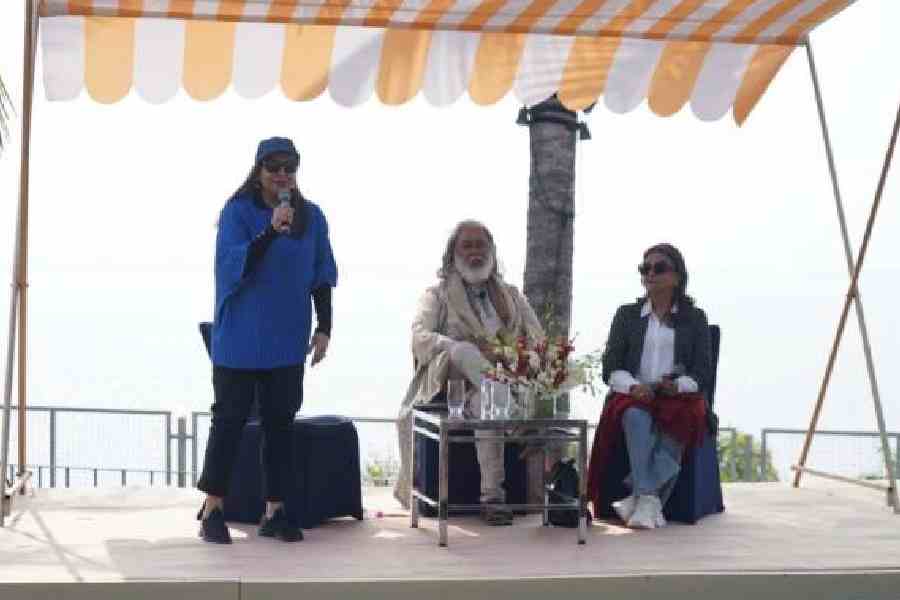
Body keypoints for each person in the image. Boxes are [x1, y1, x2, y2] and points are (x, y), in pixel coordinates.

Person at [196, 137, 338, 544]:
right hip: (239, 338)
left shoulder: (312, 218)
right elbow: (233, 264)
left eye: (289, 167)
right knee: (229, 422)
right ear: (258, 170)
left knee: (280, 425)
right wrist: (271, 231)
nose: (281, 174)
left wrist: (324, 327)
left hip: (286, 338)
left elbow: (322, 273)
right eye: (273, 166)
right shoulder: (237, 212)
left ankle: (275, 511)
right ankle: (213, 509)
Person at [394, 220, 545, 525]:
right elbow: (419, 337)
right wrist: (461, 347)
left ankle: (493, 499)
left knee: (487, 403)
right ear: (453, 254)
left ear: (491, 251)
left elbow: (538, 341)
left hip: (493, 388)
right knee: (464, 351)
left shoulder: (512, 296)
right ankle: (517, 418)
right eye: (468, 245)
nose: (475, 252)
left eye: (481, 245)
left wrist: (508, 356)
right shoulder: (436, 295)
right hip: (450, 385)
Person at [586, 243, 710, 529]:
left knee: (680, 419)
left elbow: (703, 372)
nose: (650, 273)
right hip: (636, 394)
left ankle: (642, 497)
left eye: (659, 268)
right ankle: (650, 499)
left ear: (677, 276)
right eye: (645, 268)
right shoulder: (627, 315)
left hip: (676, 396)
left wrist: (678, 386)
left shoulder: (695, 318)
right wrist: (632, 387)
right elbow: (610, 367)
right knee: (634, 416)